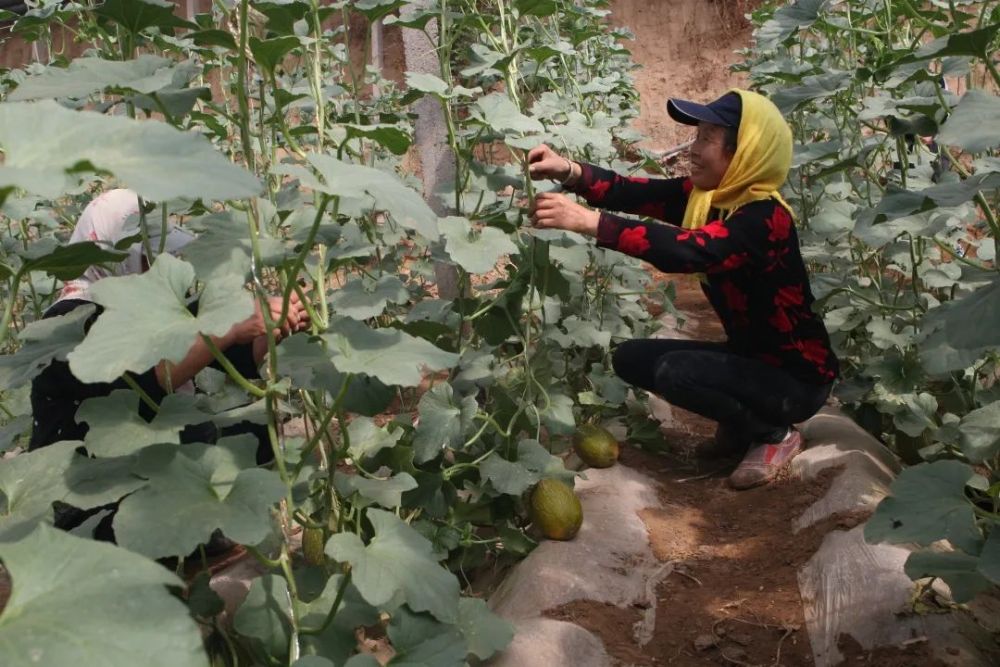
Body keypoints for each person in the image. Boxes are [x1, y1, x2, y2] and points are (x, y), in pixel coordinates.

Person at [528, 89, 838, 489]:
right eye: (697, 136)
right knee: (631, 358)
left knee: (677, 373)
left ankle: (774, 434)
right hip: (751, 360)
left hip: (797, 379)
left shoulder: (765, 218)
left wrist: (592, 223)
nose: (693, 149)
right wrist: (569, 171)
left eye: (707, 138)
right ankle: (742, 424)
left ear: (743, 151)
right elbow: (633, 192)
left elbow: (691, 251)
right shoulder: (709, 199)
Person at [29, 189, 309, 462]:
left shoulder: (150, 306)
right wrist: (228, 329)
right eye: (148, 256)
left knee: (258, 434)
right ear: (113, 255)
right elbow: (139, 386)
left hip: (152, 449)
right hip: (90, 473)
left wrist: (277, 324)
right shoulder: (66, 321)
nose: (160, 264)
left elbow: (235, 356)